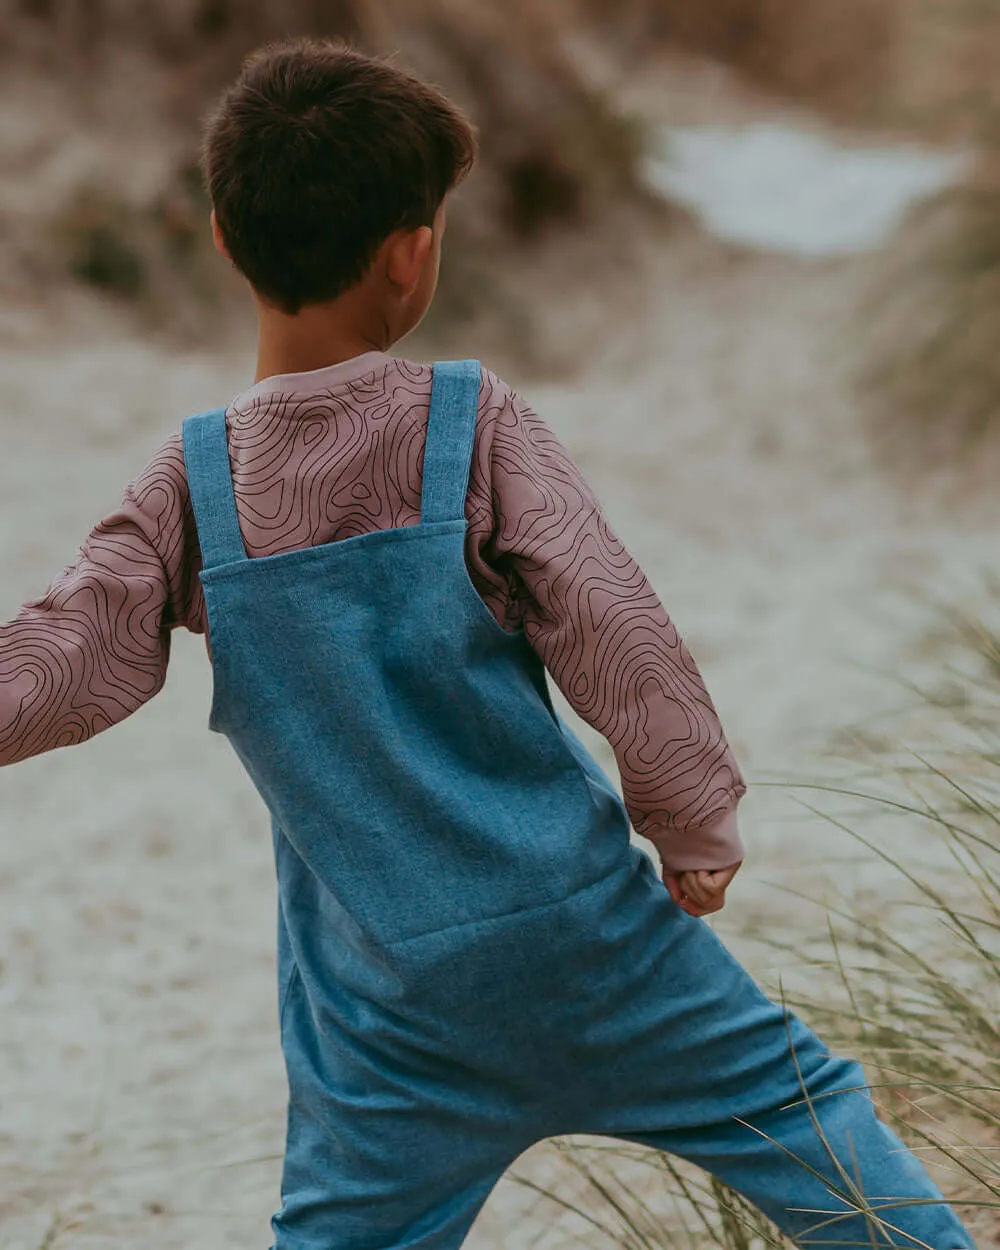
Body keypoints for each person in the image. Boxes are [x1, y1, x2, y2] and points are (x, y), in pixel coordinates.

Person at [0, 35, 973, 1250]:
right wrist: (692, 821)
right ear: (412, 255)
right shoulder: (471, 424)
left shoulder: (191, 486)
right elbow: (614, 627)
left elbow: (67, 656)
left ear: (217, 235)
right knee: (801, 1110)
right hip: (590, 944)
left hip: (386, 1001)